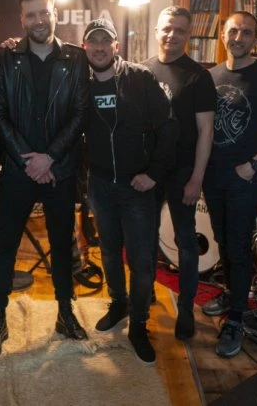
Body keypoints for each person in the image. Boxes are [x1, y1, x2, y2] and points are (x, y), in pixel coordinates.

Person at [0, 0, 90, 360]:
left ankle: (64, 313)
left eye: (44, 12)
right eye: (31, 15)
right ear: (22, 19)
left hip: (60, 171)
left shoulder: (76, 58)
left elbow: (80, 114)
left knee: (62, 246)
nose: (39, 20)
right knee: (5, 248)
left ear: (54, 13)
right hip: (18, 171)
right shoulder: (5, 57)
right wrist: (29, 160)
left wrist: (50, 158)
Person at [82, 18, 178, 365]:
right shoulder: (80, 82)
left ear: (116, 46)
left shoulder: (140, 78)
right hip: (100, 186)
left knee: (140, 260)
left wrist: (153, 174)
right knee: (108, 252)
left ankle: (139, 323)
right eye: (93, 42)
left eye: (105, 41)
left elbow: (169, 128)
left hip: (137, 187)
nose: (99, 47)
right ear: (85, 47)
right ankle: (118, 303)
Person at [201, 11, 257, 358]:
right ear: (222, 35)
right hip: (213, 176)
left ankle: (237, 318)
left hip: (243, 178)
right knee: (223, 241)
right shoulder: (210, 77)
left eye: (246, 32)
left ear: (256, 38)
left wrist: (253, 165)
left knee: (239, 248)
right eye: (233, 31)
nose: (238, 37)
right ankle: (231, 293)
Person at [143, 6, 216, 340]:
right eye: (167, 28)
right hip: (149, 171)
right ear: (157, 31)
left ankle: (186, 308)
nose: (172, 35)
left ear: (188, 35)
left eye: (180, 30)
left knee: (185, 241)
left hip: (183, 171)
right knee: (145, 239)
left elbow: (206, 131)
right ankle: (144, 296)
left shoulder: (199, 77)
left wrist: (197, 178)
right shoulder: (142, 71)